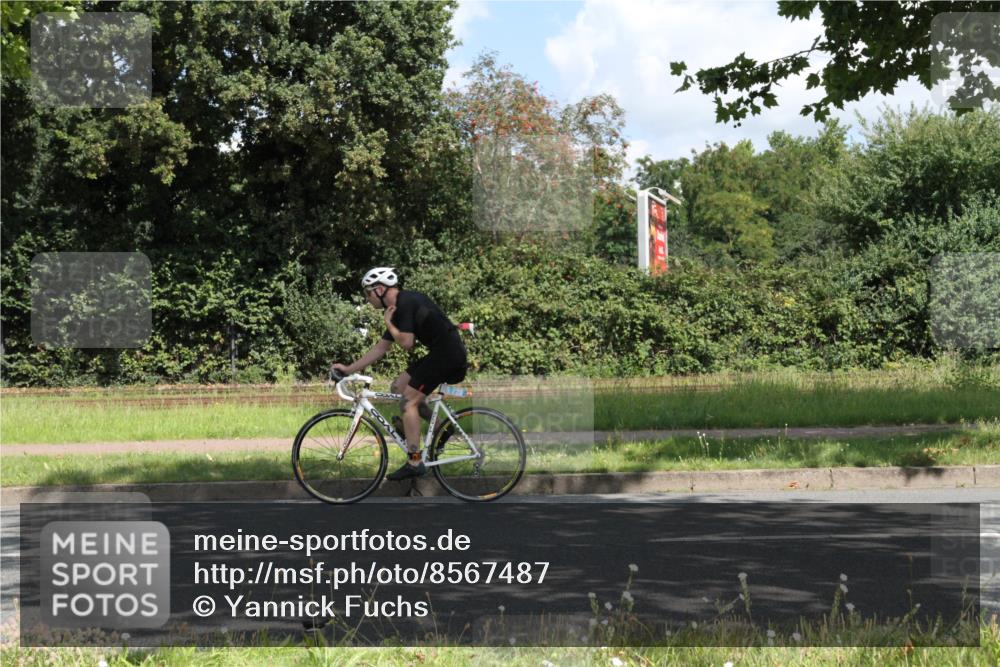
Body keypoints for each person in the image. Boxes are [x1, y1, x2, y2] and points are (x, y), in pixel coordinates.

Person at [332, 267, 468, 481]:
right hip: (442, 353)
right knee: (398, 387)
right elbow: (381, 348)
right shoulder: (397, 308)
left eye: (367, 293)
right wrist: (348, 369)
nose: (367, 299)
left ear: (379, 290)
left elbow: (406, 343)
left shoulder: (405, 303)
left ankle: (415, 461)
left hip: (448, 355)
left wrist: (388, 324)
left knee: (408, 403)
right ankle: (442, 428)